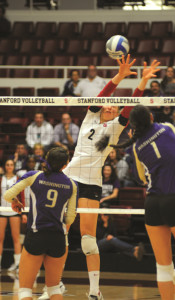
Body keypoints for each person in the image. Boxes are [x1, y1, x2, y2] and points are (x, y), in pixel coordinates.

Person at [63, 56, 160, 300]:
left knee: (88, 241)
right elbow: (102, 96)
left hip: (91, 184)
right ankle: (54, 285)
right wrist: (119, 76)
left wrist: (142, 82)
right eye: (108, 105)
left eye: (113, 107)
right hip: (69, 179)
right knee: (58, 232)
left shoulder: (117, 127)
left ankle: (94, 291)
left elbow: (130, 107)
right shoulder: (89, 118)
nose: (109, 107)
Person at [97, 104, 175, 300]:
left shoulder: (137, 148)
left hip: (153, 204)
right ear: (150, 116)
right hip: (173, 198)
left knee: (163, 266)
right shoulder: (168, 128)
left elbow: (142, 179)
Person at [3, 147, 78, 300]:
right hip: (58, 238)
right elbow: (70, 219)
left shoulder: (34, 176)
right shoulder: (72, 184)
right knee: (54, 289)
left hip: (36, 235)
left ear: (46, 160)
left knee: (25, 291)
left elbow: (7, 195)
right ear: (65, 165)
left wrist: (15, 202)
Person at [0, 159, 25, 274]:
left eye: (11, 165)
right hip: (1, 211)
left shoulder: (17, 179)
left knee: (16, 238)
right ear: (5, 167)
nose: (9, 166)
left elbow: (22, 196)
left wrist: (23, 213)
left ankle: (18, 265)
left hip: (14, 211)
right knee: (0, 238)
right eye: (7, 165)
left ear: (14, 167)